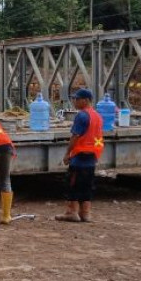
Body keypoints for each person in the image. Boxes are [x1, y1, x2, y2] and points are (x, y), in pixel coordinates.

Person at [56, 88, 104, 223]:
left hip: (80, 156)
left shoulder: (82, 115)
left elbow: (75, 136)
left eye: (77, 99)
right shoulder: (97, 116)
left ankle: (72, 212)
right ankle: (86, 214)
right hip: (92, 156)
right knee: (87, 185)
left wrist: (67, 154)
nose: (74, 101)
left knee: (73, 184)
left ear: (86, 100)